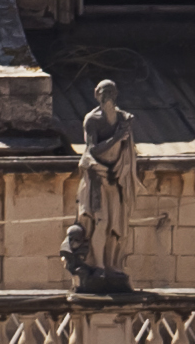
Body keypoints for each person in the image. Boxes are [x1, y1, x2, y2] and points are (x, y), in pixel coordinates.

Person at [61, 81, 145, 294]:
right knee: (101, 223)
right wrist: (117, 137)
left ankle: (113, 266)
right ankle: (97, 265)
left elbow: (127, 150)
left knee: (116, 226)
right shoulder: (93, 119)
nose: (106, 95)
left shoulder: (123, 119)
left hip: (116, 178)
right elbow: (91, 151)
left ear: (116, 94)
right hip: (96, 180)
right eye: (102, 92)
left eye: (110, 92)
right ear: (96, 94)